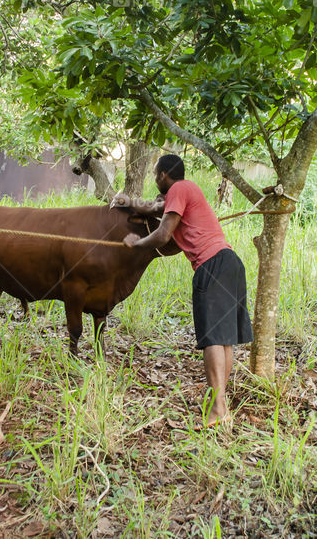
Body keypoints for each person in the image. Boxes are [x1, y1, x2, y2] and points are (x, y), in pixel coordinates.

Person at [114, 154, 252, 428]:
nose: (155, 180)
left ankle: (218, 408)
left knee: (212, 337)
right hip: (230, 262)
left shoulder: (179, 188)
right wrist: (128, 202)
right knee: (224, 340)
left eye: (155, 175)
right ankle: (221, 407)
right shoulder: (186, 192)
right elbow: (154, 208)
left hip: (211, 264)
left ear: (164, 175)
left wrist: (136, 244)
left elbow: (164, 234)